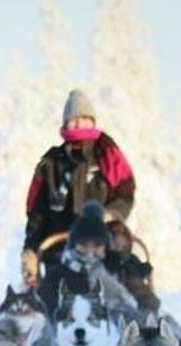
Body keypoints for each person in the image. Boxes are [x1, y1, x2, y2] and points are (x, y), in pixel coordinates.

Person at [21, 89, 135, 287]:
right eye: (73, 119)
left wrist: (112, 215)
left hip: (102, 246)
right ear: (65, 124)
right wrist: (30, 249)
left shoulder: (107, 154)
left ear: (92, 121)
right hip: (59, 249)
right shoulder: (51, 163)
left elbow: (125, 192)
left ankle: (146, 315)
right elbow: (37, 214)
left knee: (130, 280)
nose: (78, 124)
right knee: (52, 291)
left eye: (83, 118)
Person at [38, 201, 159, 318]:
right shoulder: (57, 274)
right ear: (74, 245)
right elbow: (43, 310)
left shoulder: (118, 270)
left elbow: (146, 300)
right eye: (84, 244)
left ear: (105, 247)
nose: (90, 251)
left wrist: (146, 319)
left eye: (97, 244)